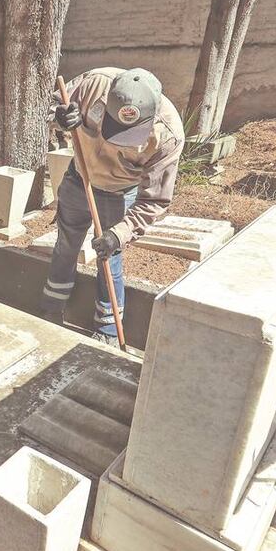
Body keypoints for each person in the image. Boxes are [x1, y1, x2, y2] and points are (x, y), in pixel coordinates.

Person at [41, 67, 184, 346]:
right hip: (78, 180)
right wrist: (60, 116)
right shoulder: (95, 83)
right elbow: (54, 103)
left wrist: (119, 232)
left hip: (119, 195)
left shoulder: (168, 136)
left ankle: (106, 330)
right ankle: (51, 309)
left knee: (109, 258)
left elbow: (153, 200)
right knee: (65, 247)